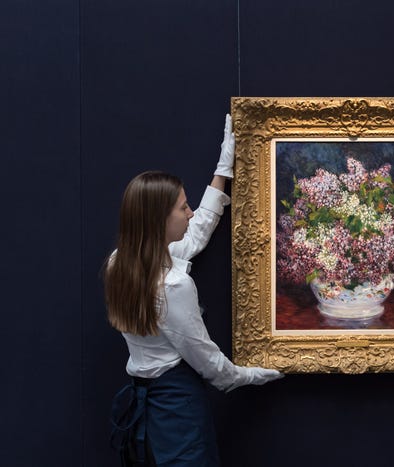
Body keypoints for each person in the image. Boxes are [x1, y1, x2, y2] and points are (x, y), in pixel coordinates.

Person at [105, 115, 283, 466]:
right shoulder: (174, 285)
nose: (190, 213)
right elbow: (213, 367)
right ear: (159, 220)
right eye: (183, 207)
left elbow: (197, 230)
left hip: (146, 409)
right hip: (177, 406)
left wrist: (224, 165)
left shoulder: (119, 263)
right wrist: (259, 372)